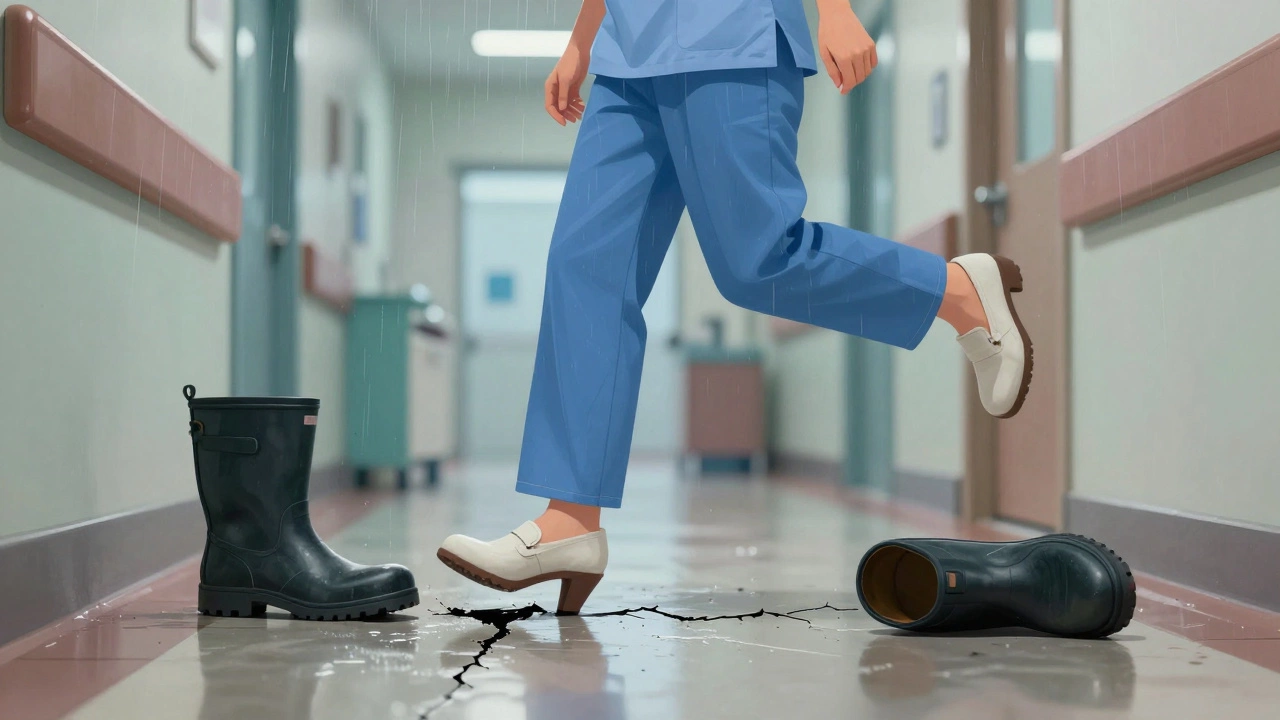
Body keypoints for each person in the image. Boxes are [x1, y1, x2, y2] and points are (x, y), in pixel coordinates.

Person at [437, 0, 1032, 614]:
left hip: (730, 32)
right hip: (626, 55)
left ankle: (954, 291)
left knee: (759, 261)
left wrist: (833, 8)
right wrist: (582, 42)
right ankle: (569, 516)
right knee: (584, 267)